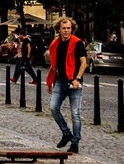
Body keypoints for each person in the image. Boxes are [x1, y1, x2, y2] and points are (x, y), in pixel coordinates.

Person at [46, 16, 87, 154]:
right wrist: (50, 81)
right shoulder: (55, 43)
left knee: (75, 113)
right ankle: (66, 133)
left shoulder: (77, 43)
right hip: (60, 81)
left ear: (72, 29)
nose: (66, 31)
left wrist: (77, 78)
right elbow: (54, 64)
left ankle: (75, 142)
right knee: (53, 108)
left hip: (74, 82)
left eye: (68, 28)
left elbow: (83, 62)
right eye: (63, 28)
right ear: (59, 29)